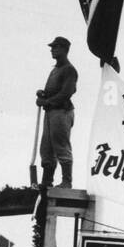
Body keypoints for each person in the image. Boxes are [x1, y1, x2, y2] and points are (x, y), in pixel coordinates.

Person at [37, 36, 78, 188]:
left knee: (61, 145)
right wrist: (43, 94)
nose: (52, 50)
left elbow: (66, 92)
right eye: (52, 47)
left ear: (64, 49)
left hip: (62, 112)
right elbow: (53, 91)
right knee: (46, 147)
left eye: (56, 47)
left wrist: (47, 101)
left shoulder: (69, 70)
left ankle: (67, 181)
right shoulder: (55, 70)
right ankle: (47, 182)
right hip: (51, 112)